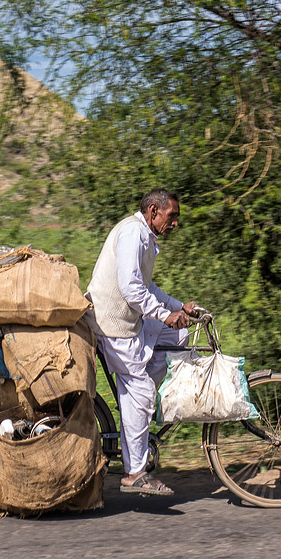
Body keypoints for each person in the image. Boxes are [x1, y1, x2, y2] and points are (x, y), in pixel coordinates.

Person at [84, 188, 197, 496]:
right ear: (152, 212)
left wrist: (178, 309)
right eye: (171, 216)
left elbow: (148, 287)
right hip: (113, 325)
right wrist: (165, 313)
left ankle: (137, 406)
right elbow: (133, 290)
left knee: (178, 335)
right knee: (141, 391)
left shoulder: (143, 236)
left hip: (127, 320)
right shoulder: (133, 233)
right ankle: (135, 473)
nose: (175, 223)